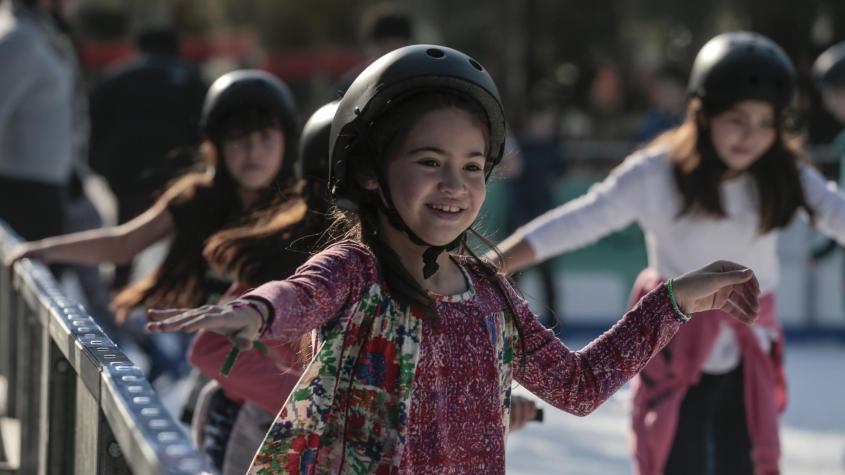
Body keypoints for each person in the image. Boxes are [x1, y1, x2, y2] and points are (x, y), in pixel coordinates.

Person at [147, 44, 759, 474]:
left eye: (472, 167)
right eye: (430, 161)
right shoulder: (356, 273)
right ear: (367, 171)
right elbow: (302, 295)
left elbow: (578, 385)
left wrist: (675, 300)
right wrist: (256, 311)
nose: (455, 185)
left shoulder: (491, 294)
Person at [490, 32, 845, 475]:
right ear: (703, 112)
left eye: (765, 123)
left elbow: (837, 214)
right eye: (737, 119)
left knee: (745, 460)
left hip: (748, 343)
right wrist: (492, 266)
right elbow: (579, 220)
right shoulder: (658, 173)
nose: (750, 136)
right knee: (679, 458)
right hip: (672, 340)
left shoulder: (784, 173)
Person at [6, 69, 300, 385]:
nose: (253, 152)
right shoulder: (197, 197)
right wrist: (46, 250)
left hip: (279, 365)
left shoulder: (304, 208)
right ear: (214, 143)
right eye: (238, 139)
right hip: (211, 361)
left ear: (288, 141)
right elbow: (124, 243)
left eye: (266, 138)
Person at [89, 26, 207, 290]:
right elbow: (204, 127)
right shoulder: (189, 77)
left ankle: (119, 293)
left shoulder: (116, 76)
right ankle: (176, 293)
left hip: (126, 173)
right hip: (176, 175)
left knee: (126, 235)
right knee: (182, 238)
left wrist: (99, 164)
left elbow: (95, 123)